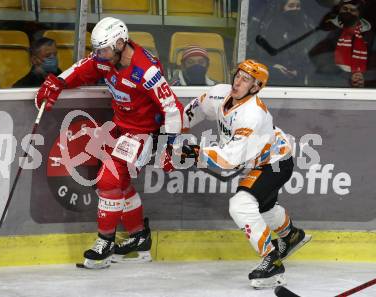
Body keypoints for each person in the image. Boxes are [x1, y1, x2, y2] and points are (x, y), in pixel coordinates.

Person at [34, 17, 184, 269]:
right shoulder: (107, 58)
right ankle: (139, 237)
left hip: (143, 133)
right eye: (98, 50)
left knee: (109, 180)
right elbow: (85, 68)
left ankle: (105, 243)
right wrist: (57, 82)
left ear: (120, 43)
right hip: (121, 127)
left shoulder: (146, 71)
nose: (99, 56)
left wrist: (171, 146)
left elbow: (172, 109)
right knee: (119, 184)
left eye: (103, 50)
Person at [178, 59, 311, 289]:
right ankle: (292, 236)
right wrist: (171, 135)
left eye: (246, 79)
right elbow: (192, 112)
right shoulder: (220, 93)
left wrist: (194, 152)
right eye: (238, 75)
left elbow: (230, 160)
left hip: (275, 163)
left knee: (241, 205)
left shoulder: (253, 115)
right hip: (258, 160)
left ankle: (272, 261)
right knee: (264, 208)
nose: (238, 81)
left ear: (256, 87)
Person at [309, 0, 374, 87]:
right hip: (337, 83)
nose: (348, 12)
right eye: (345, 9)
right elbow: (319, 59)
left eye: (353, 10)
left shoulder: (369, 35)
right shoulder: (331, 36)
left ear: (359, 14)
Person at [255, 0, 317, 86]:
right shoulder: (269, 29)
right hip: (272, 84)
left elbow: (313, 59)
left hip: (300, 85)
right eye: (291, 6)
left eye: (298, 6)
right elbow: (258, 58)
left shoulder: (307, 27)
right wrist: (274, 67)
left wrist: (298, 71)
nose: (295, 9)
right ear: (282, 8)